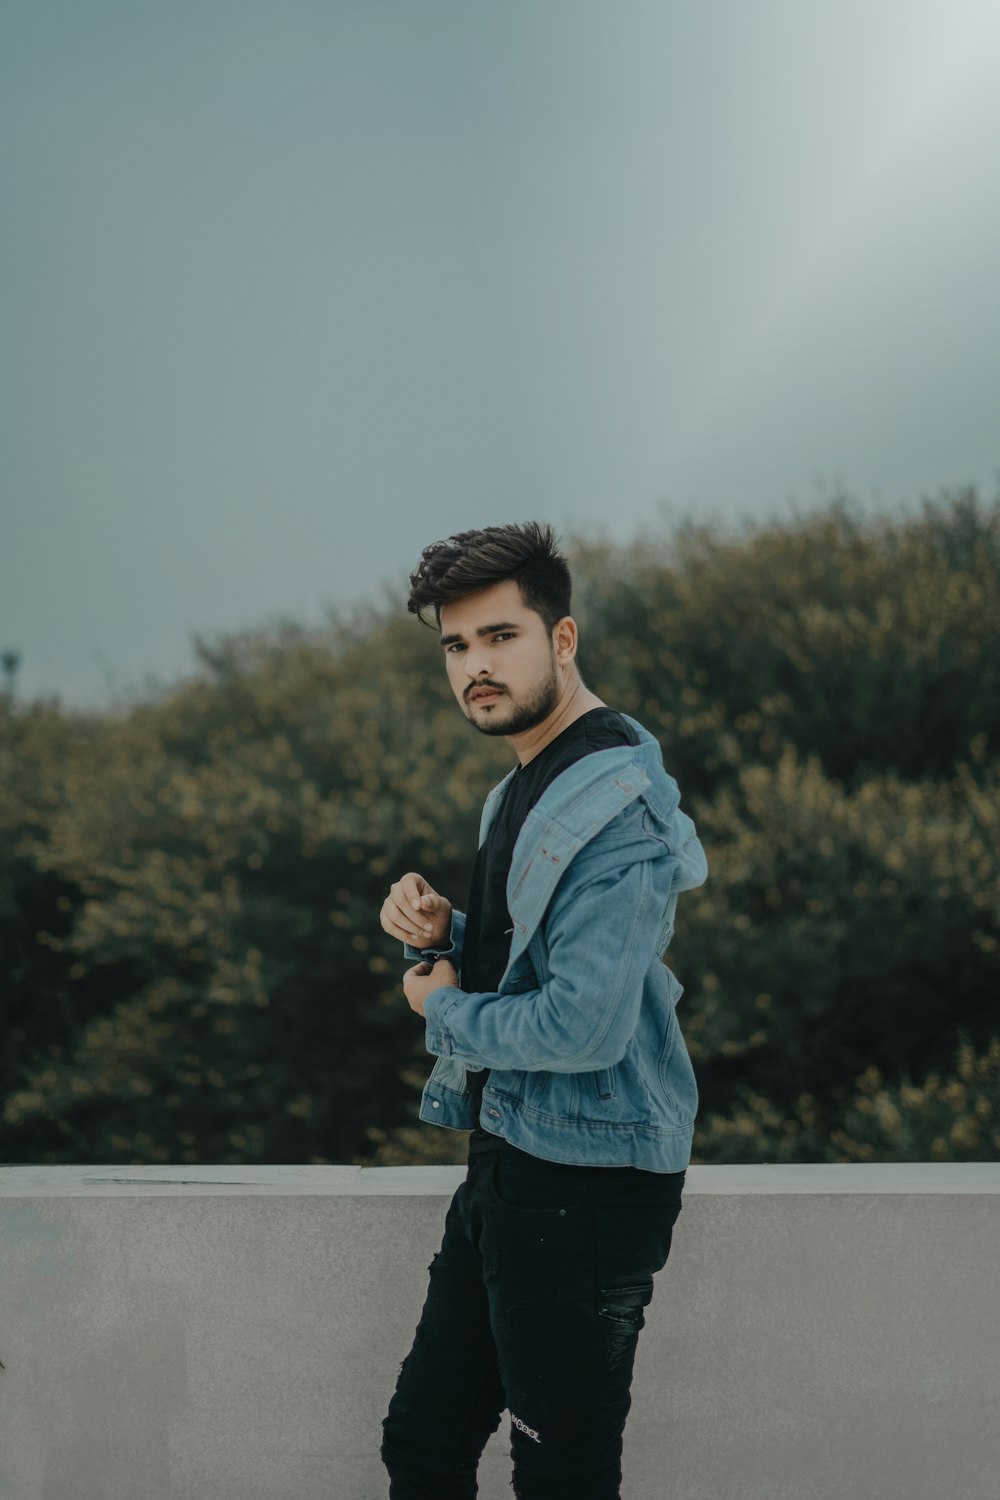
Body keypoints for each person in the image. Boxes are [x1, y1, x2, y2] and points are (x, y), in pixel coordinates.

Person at [378, 522, 707, 1500]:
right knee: (423, 1447)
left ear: (561, 640)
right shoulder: (519, 786)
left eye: (500, 638)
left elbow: (580, 1026)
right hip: (507, 1160)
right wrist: (453, 928)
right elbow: (542, 952)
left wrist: (441, 1008)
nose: (475, 667)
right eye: (456, 645)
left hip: (587, 1190)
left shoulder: (621, 811)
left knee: (560, 1479)